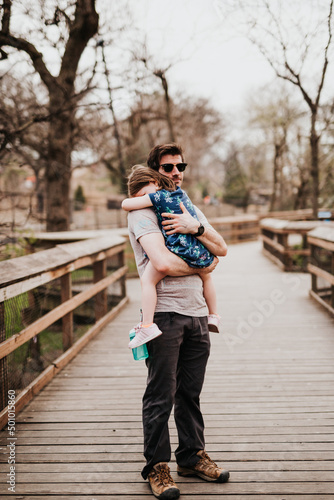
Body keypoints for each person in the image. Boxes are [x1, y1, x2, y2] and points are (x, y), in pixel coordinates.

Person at [126, 143, 229, 500]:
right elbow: (165, 264)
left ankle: (191, 456)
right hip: (165, 317)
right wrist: (203, 264)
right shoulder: (144, 213)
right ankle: (156, 466)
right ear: (155, 171)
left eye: (179, 166)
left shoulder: (188, 207)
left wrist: (194, 227)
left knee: (190, 392)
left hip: (198, 313)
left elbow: (222, 248)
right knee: (160, 394)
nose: (175, 172)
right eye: (168, 168)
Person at [122, 165, 221, 349]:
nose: (143, 199)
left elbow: (126, 204)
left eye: (143, 193)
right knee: (206, 275)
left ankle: (147, 326)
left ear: (155, 182)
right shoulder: (183, 197)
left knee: (147, 281)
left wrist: (137, 199)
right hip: (196, 249)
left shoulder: (157, 196)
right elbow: (220, 250)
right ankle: (214, 314)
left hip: (178, 248)